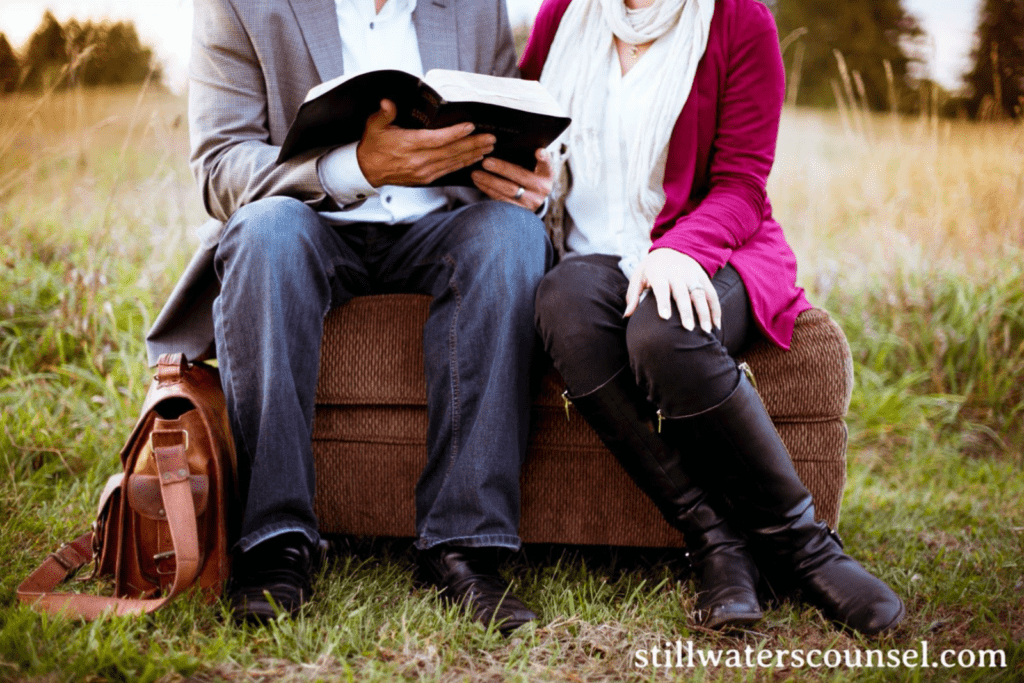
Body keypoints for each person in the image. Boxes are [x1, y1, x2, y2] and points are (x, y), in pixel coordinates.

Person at [145, 0, 554, 631]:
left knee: (513, 239)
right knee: (265, 232)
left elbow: (505, 127)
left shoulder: (478, 6)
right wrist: (356, 168)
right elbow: (220, 169)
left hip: (441, 224)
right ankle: (276, 541)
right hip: (309, 220)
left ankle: (464, 546)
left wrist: (522, 173)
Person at [521, 0, 905, 635]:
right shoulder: (561, 16)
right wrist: (517, 175)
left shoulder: (738, 19)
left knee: (663, 329)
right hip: (590, 257)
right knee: (561, 302)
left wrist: (678, 250)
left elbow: (742, 181)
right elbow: (524, 136)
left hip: (713, 247)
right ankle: (716, 542)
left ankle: (803, 546)